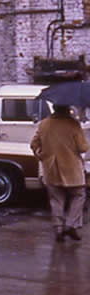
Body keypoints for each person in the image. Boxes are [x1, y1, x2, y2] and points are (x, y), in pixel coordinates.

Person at [30, 104, 89, 242]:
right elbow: (82, 147)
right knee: (78, 195)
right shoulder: (73, 124)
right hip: (72, 169)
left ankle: (58, 229)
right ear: (67, 109)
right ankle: (71, 225)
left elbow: (34, 144)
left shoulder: (44, 124)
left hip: (51, 168)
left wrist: (41, 156)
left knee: (56, 199)